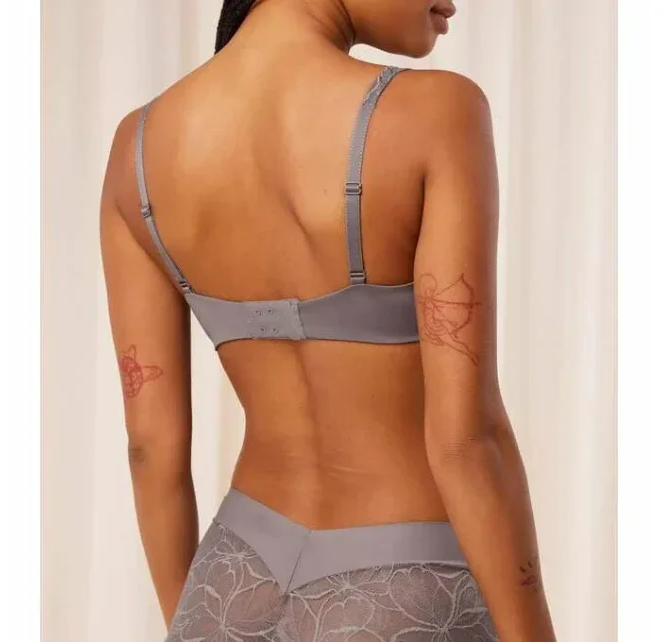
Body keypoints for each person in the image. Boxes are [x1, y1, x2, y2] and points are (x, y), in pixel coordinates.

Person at [100, 1, 558, 640]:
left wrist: (193, 625)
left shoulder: (137, 149)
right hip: (404, 589)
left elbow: (150, 449)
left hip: (229, 583)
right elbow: (466, 442)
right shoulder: (438, 112)